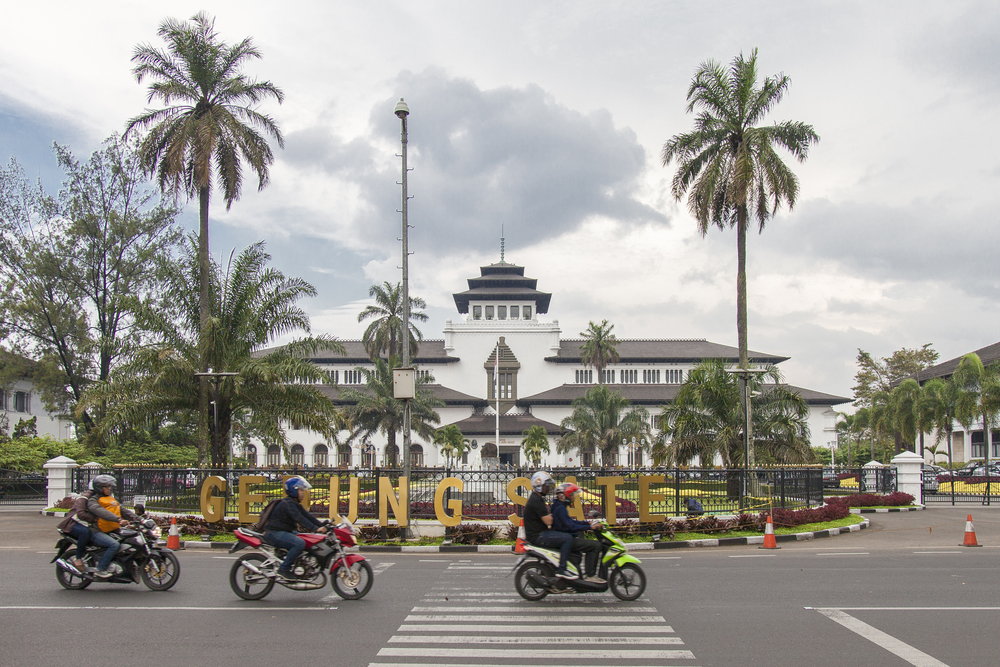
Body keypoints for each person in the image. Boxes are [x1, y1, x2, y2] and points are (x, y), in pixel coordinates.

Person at [263, 475, 327, 580]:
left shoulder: (293, 503)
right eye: (301, 490)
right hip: (274, 533)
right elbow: (299, 518)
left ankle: (299, 565)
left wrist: (322, 525)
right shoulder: (288, 504)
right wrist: (315, 529)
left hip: (284, 532)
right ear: (294, 490)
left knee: (307, 539)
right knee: (299, 543)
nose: (303, 493)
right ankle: (283, 569)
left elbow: (307, 516)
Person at [522, 471, 574, 580]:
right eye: (546, 486)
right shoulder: (536, 501)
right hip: (538, 536)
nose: (548, 488)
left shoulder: (537, 498)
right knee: (568, 538)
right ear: (539, 485)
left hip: (540, 533)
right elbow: (549, 521)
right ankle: (562, 569)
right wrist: (558, 511)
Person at [550, 482, 605, 584]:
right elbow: (570, 526)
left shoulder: (559, 506)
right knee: (596, 546)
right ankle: (590, 575)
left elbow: (570, 522)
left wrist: (587, 523)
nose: (574, 498)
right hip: (566, 538)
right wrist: (589, 527)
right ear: (564, 496)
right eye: (572, 495)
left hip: (565, 537)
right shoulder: (560, 508)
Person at [86, 474, 138, 578]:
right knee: (114, 545)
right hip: (96, 531)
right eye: (107, 486)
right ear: (99, 487)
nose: (109, 489)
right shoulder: (93, 500)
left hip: (112, 530)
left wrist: (137, 518)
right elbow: (102, 512)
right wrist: (118, 519)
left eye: (110, 486)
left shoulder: (110, 499)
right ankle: (101, 569)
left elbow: (122, 510)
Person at [56, 488, 99, 573]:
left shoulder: (102, 497)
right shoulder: (84, 499)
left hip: (87, 523)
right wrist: (96, 519)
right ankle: (78, 557)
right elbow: (81, 514)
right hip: (73, 523)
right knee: (85, 533)